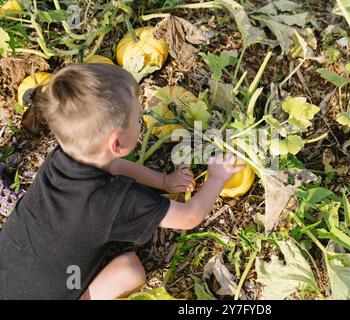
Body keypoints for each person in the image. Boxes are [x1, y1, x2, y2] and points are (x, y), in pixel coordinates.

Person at [0, 63, 244, 300]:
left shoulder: (58, 160)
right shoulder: (115, 200)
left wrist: (166, 181)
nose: (142, 121)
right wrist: (217, 178)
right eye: (138, 119)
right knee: (130, 271)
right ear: (117, 144)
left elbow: (114, 165)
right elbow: (189, 217)